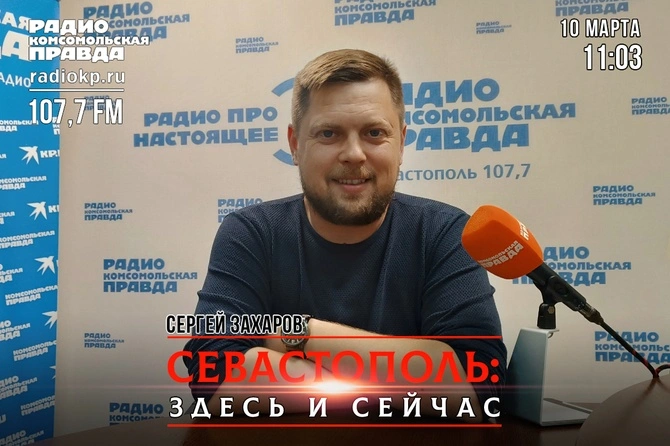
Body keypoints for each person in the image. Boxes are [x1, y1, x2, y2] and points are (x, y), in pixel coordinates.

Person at [184, 49, 506, 420]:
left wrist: (300, 334)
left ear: (401, 143)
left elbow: (480, 384)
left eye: (374, 133)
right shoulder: (251, 233)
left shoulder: (445, 233)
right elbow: (213, 374)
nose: (353, 154)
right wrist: (406, 385)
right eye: (329, 133)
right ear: (295, 145)